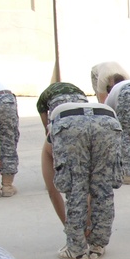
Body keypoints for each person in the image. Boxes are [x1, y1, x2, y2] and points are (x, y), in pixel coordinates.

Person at [49, 100, 123, 259]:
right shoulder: (99, 105)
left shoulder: (56, 116)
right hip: (107, 123)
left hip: (69, 124)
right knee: (104, 188)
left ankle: (76, 250)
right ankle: (98, 245)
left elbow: (49, 157)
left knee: (77, 186)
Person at [36, 82, 89, 224]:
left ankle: (60, 172)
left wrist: (49, 132)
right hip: (83, 105)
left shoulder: (44, 97)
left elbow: (46, 120)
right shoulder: (78, 90)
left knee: (59, 139)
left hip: (59, 108)